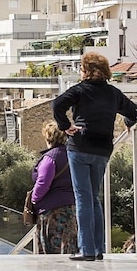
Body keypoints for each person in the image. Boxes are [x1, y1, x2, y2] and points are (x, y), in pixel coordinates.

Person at [53, 51, 137, 261]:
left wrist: (66, 126)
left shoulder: (80, 91)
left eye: (81, 68)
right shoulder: (113, 93)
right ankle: (98, 249)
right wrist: (127, 123)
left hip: (80, 146)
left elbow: (57, 105)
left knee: (83, 198)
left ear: (88, 71)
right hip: (102, 150)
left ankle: (87, 250)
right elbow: (134, 111)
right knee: (94, 198)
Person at [31, 121, 78, 254]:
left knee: (51, 252)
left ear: (48, 137)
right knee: (69, 248)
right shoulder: (73, 155)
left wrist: (33, 200)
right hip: (71, 209)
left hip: (51, 212)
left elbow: (43, 183)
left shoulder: (51, 157)